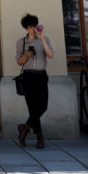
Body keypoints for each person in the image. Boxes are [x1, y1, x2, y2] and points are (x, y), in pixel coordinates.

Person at [16, 13, 53, 149]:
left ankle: (24, 128)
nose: (34, 29)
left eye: (35, 26)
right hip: (28, 77)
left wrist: (42, 38)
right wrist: (26, 55)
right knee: (33, 109)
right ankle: (39, 138)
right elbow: (19, 62)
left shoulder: (45, 39)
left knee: (43, 106)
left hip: (41, 76)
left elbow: (50, 55)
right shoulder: (21, 42)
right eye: (31, 27)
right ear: (26, 28)